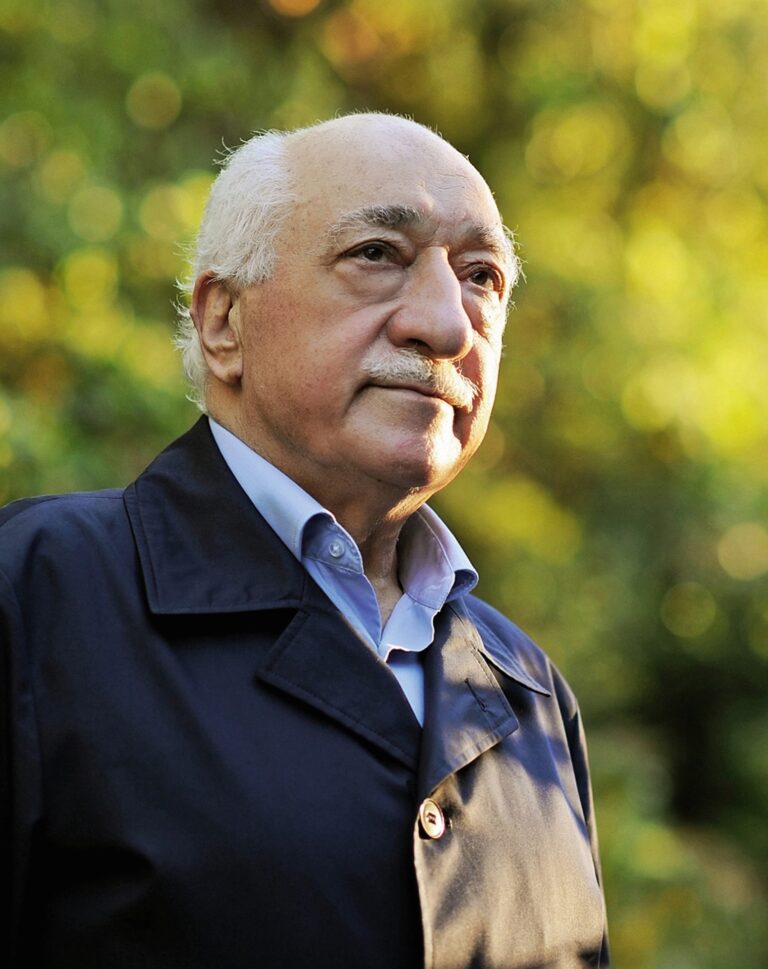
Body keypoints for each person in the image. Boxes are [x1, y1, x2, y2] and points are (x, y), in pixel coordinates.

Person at [0, 113, 609, 969]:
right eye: (377, 254)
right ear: (223, 320)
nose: (446, 323)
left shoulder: (531, 692)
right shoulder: (37, 594)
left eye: (481, 276)